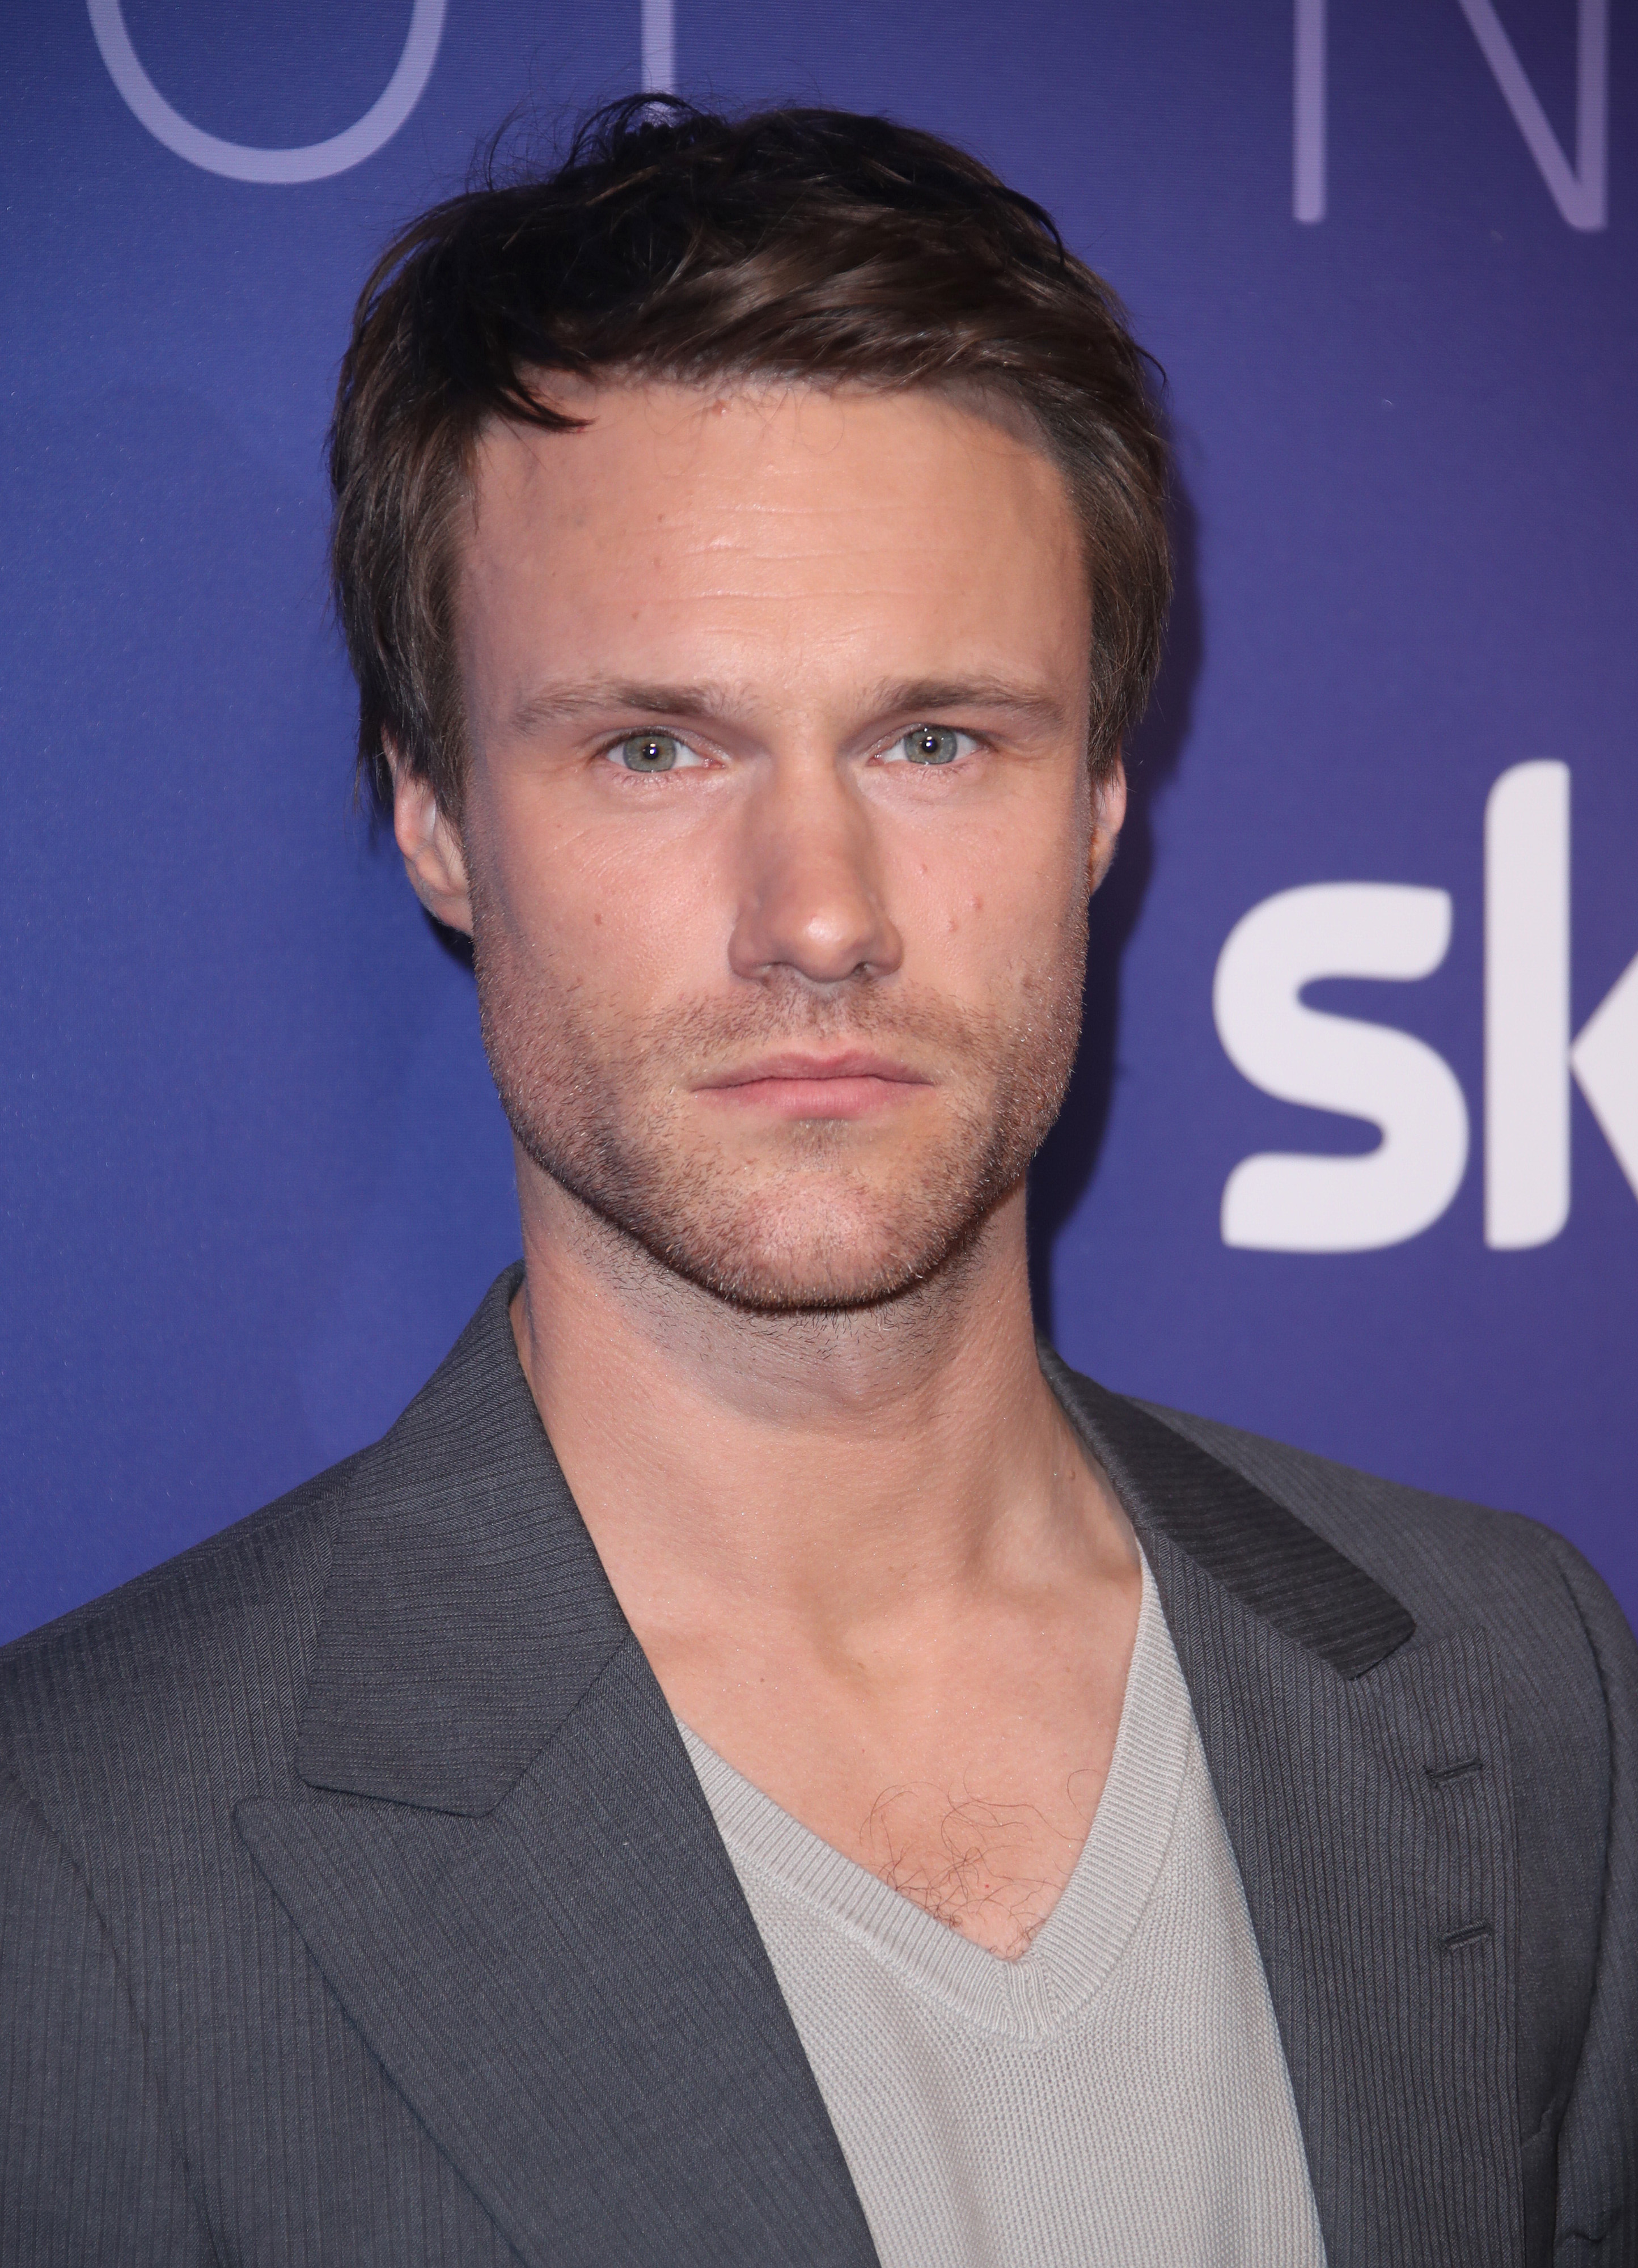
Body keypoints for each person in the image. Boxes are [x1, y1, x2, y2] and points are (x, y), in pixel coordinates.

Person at [1, 96, 1632, 2268]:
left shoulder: (1515, 1682)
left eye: (935, 739)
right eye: (654, 747)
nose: (821, 915)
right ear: (434, 819)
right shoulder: (80, 1872)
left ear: (1097, 802)